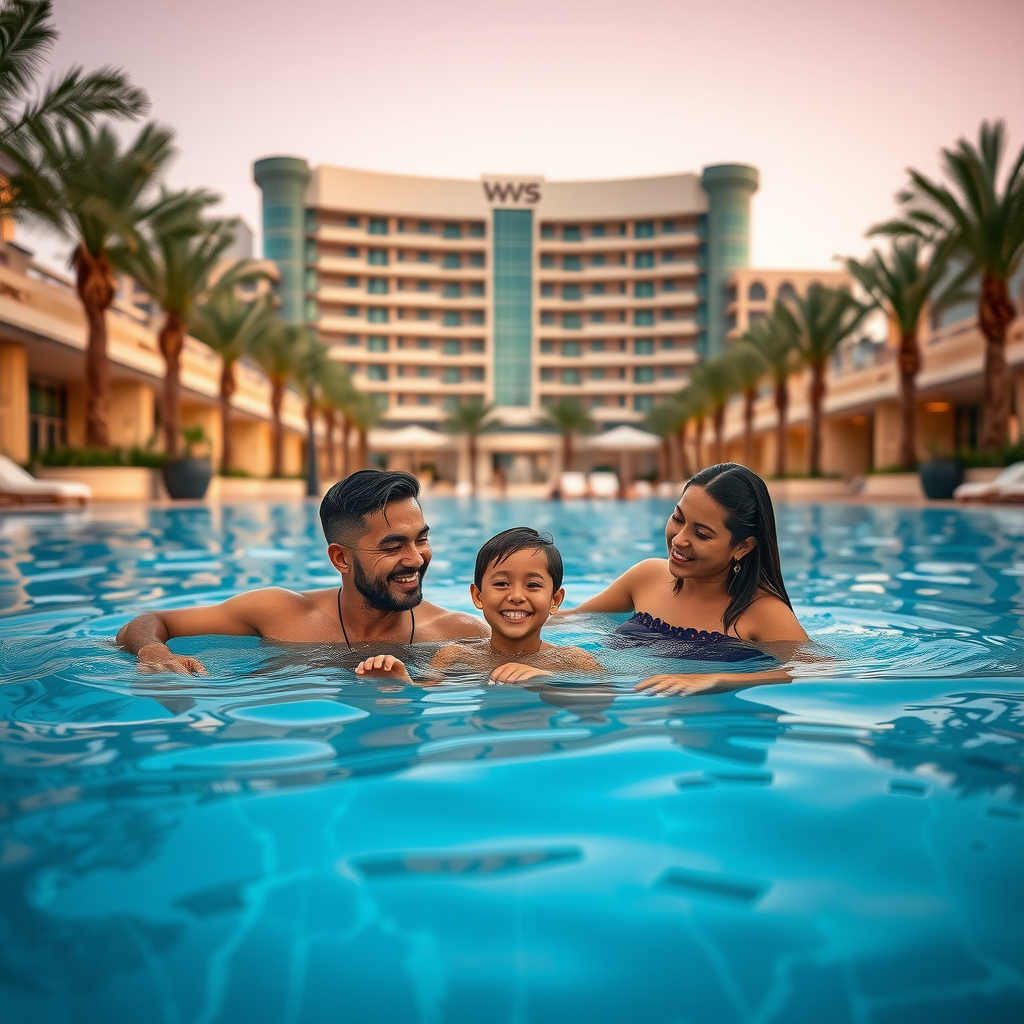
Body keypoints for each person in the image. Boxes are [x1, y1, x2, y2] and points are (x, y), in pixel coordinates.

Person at [116, 470, 488, 675]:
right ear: (341, 558)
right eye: (392, 547)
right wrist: (153, 651)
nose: (416, 559)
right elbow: (147, 620)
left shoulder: (460, 632)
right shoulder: (278, 612)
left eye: (420, 540)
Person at [563, 463, 808, 695]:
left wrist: (718, 679)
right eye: (678, 519)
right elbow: (576, 619)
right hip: (619, 699)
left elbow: (814, 670)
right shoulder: (647, 576)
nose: (679, 539)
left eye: (701, 534)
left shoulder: (762, 612)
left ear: (743, 547)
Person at [355, 527, 602, 684]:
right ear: (478, 596)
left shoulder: (573, 661)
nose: (516, 596)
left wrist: (550, 681)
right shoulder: (454, 656)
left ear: (555, 601)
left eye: (533, 586)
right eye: (502, 584)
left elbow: (603, 701)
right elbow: (425, 695)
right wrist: (399, 680)